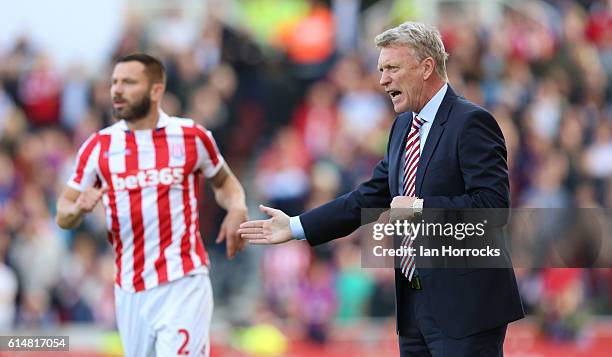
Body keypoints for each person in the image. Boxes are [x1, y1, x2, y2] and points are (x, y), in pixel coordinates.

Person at [239, 22, 524, 356]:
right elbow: (368, 196)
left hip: (467, 309)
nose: (382, 79)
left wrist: (418, 209)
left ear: (426, 67)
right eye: (380, 69)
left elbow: (493, 207)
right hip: (414, 306)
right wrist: (296, 226)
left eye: (392, 68)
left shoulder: (471, 122)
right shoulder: (403, 125)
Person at [56, 53, 248, 356]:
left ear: (156, 90)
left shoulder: (191, 137)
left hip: (183, 281)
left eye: (128, 82)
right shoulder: (99, 147)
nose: (116, 90)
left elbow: (224, 182)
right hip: (130, 288)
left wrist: (237, 208)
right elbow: (62, 214)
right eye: (114, 82)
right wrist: (78, 207)